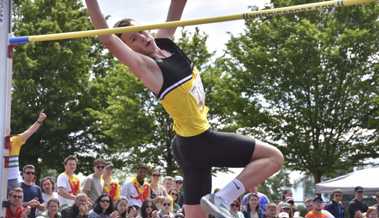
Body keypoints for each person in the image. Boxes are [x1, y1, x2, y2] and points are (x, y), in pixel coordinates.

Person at [84, 0, 284, 217]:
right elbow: (106, 38)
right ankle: (223, 197)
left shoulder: (165, 43)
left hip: (187, 146)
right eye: (134, 39)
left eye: (141, 31)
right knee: (273, 157)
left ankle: (220, 198)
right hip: (199, 141)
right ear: (130, 50)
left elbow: (177, 5)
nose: (142, 38)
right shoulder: (148, 68)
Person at [7, 112, 47, 192]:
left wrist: (39, 121)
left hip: (13, 179)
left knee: (16, 200)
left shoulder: (14, 140)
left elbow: (30, 132)